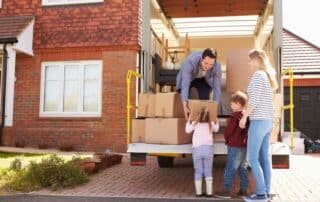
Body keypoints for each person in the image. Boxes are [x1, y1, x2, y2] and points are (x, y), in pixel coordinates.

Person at [239, 49, 278, 202]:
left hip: (259, 121)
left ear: (256, 60)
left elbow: (254, 101)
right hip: (268, 121)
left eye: (250, 60)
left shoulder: (257, 76)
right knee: (264, 158)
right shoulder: (267, 77)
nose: (249, 63)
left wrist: (244, 117)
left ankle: (261, 194)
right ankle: (266, 192)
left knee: (252, 158)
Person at [215, 91, 249, 199]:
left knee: (230, 168)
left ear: (238, 104)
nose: (230, 105)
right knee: (242, 168)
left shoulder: (234, 117)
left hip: (234, 146)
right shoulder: (246, 116)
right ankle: (243, 189)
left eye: (232, 103)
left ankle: (226, 190)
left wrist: (226, 138)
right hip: (243, 146)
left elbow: (229, 131)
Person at [176, 48, 222, 119]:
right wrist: (184, 107)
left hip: (203, 80)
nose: (207, 67)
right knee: (186, 98)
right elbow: (185, 84)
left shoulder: (217, 65)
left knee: (204, 100)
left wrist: (214, 110)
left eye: (211, 64)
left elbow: (217, 87)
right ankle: (191, 97)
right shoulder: (190, 61)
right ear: (201, 59)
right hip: (190, 79)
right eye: (206, 63)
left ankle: (202, 118)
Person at [185, 107, 219, 197]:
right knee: (208, 170)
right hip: (208, 149)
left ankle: (198, 193)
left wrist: (189, 119)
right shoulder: (210, 123)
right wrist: (216, 119)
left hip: (197, 149)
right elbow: (217, 129)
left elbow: (187, 130)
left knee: (198, 171)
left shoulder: (195, 123)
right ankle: (209, 193)